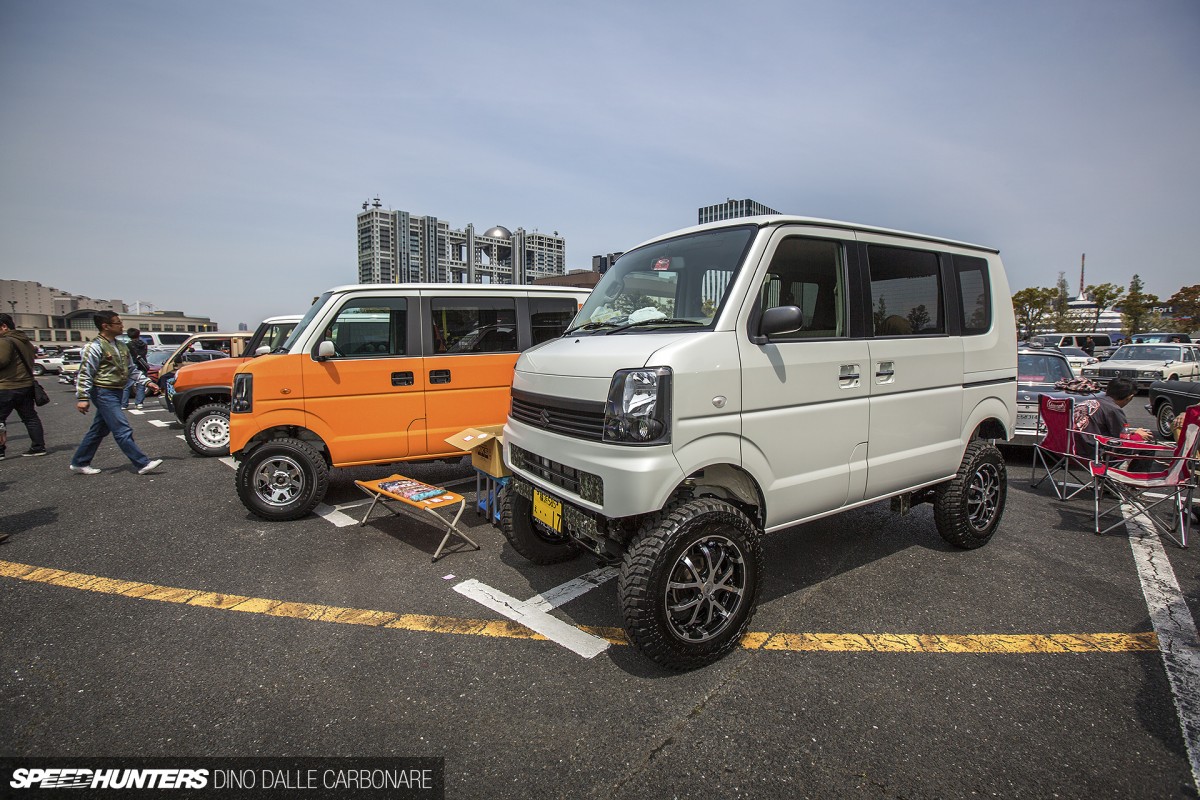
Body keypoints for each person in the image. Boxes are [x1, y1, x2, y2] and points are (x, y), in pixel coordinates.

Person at [70, 311, 162, 475]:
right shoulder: (94, 347)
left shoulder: (121, 346)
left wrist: (148, 382)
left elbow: (131, 369)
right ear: (106, 326)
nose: (121, 326)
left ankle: (80, 461)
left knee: (99, 430)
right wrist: (83, 397)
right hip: (103, 392)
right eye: (117, 323)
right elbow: (85, 373)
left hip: (116, 391)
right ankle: (142, 463)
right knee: (122, 428)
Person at [0, 312, 47, 459]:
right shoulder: (25, 341)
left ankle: (0, 450)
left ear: (3, 326)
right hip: (26, 385)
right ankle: (38, 447)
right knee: (30, 417)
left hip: (7, 385)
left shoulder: (5, 341)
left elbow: (1, 361)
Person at [1073, 377, 1153, 462]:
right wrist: (1138, 435)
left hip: (1070, 450)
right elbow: (1122, 439)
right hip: (1092, 453)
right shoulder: (1113, 409)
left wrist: (1134, 432)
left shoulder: (1087, 402)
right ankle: (1130, 475)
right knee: (1147, 445)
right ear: (1130, 397)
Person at [121, 328, 150, 410]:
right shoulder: (144, 344)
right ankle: (139, 403)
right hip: (142, 365)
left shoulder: (127, 345)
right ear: (138, 334)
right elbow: (144, 354)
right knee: (141, 384)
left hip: (132, 366)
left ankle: (124, 404)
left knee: (126, 386)